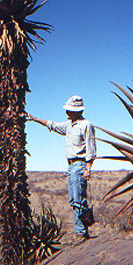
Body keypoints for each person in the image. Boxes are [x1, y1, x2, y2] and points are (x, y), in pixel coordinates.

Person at [27, 95, 96, 243]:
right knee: (74, 199)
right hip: (70, 166)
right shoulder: (69, 125)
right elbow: (53, 125)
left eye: (70, 110)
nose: (67, 113)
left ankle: (81, 232)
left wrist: (88, 168)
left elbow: (91, 148)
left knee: (78, 199)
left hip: (80, 165)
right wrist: (34, 119)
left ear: (78, 111)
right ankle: (83, 228)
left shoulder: (86, 125)